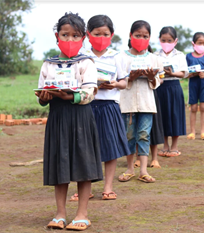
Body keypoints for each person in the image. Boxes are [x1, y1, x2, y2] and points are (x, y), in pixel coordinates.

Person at [35, 12, 102, 231]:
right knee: (59, 165)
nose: (70, 40)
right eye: (65, 35)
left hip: (81, 117)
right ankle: (60, 213)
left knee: (83, 164)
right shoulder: (48, 64)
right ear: (57, 36)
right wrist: (44, 98)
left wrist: (70, 96)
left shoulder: (86, 63)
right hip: (57, 118)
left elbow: (90, 92)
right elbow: (42, 93)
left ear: (83, 38)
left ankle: (82, 214)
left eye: (75, 36)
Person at [69, 14, 130, 202]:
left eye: (105, 34)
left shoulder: (118, 57)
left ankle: (108, 186)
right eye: (97, 33)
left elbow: (124, 82)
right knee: (84, 147)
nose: (101, 38)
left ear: (112, 35)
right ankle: (84, 188)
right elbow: (74, 81)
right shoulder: (81, 57)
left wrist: (114, 84)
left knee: (110, 146)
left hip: (109, 105)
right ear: (88, 34)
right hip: (86, 105)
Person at [118, 20, 164, 183]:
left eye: (145, 36)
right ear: (130, 36)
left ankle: (143, 171)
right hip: (127, 103)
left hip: (146, 103)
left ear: (149, 37)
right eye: (137, 35)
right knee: (129, 135)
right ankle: (130, 168)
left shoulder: (154, 58)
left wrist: (152, 78)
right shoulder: (121, 57)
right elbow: (118, 79)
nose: (141, 38)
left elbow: (160, 79)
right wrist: (130, 78)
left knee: (144, 135)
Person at [154, 26, 189, 157]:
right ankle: (165, 146)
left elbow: (184, 73)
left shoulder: (180, 55)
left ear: (175, 41)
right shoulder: (155, 55)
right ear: (159, 40)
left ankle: (174, 146)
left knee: (175, 115)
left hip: (174, 87)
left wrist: (172, 73)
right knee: (161, 116)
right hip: (160, 87)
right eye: (164, 40)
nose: (166, 43)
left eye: (169, 40)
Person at [185, 32, 204, 140]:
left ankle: (203, 132)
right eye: (199, 43)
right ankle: (192, 132)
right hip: (193, 83)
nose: (202, 45)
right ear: (193, 44)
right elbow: (184, 72)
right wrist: (190, 74)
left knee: (203, 107)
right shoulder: (188, 57)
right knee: (193, 108)